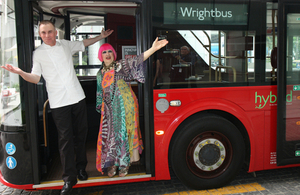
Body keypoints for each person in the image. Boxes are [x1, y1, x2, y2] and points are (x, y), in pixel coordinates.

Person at [1, 20, 113, 195]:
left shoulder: (66, 45)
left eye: (50, 32)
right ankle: (69, 178)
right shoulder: (38, 54)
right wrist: (20, 73)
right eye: (43, 33)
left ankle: (81, 167)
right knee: (65, 140)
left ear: (55, 32)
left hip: (77, 97)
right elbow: (36, 78)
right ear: (40, 34)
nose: (47, 36)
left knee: (81, 135)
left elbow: (83, 43)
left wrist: (101, 37)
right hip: (59, 102)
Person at [96, 37, 168, 177]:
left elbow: (137, 59)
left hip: (126, 106)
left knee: (125, 133)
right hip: (109, 110)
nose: (108, 54)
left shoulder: (121, 65)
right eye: (104, 52)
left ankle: (125, 163)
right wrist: (102, 109)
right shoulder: (100, 74)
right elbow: (99, 93)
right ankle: (113, 163)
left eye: (110, 51)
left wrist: (153, 49)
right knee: (110, 136)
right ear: (101, 55)